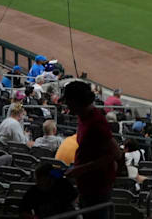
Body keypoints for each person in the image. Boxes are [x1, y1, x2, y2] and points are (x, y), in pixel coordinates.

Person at [62, 80, 119, 219]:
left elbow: (115, 153)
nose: (66, 105)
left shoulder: (96, 122)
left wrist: (81, 169)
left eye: (68, 101)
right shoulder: (83, 117)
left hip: (97, 187)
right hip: (86, 184)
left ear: (76, 101)